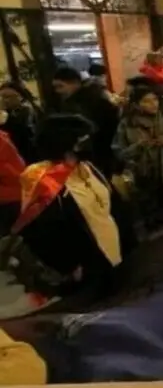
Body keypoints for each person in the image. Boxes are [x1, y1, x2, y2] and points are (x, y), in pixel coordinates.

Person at [5, 115, 124, 306]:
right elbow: (42, 230)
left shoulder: (87, 167)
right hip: (83, 266)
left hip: (112, 250)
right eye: (83, 139)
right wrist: (68, 265)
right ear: (66, 143)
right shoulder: (42, 178)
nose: (89, 142)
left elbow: (111, 205)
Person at [113, 86, 163, 233]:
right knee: (154, 223)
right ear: (136, 104)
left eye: (155, 99)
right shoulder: (127, 125)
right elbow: (119, 152)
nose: (153, 104)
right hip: (144, 178)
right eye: (147, 101)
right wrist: (138, 146)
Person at [52, 66, 121, 176]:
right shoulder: (71, 101)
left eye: (61, 86)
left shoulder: (92, 99)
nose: (58, 91)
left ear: (75, 83)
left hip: (99, 152)